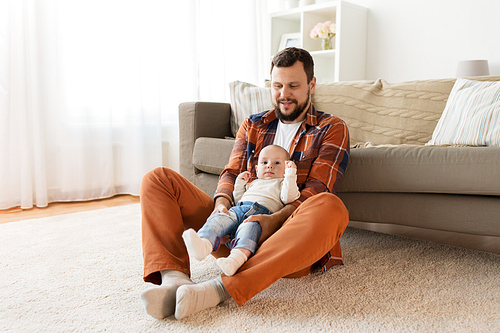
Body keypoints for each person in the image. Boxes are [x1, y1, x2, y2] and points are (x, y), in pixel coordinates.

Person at [139, 47, 350, 320]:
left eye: (294, 86)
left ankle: (217, 290)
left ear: (311, 84)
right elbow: (231, 173)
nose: (284, 94)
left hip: (284, 242)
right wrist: (221, 206)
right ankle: (175, 282)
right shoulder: (254, 124)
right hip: (231, 228)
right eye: (277, 85)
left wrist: (272, 221)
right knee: (157, 179)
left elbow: (316, 190)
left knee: (331, 206)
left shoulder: (331, 128)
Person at [182, 144, 300, 277]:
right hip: (238, 209)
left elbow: (290, 197)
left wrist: (291, 175)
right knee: (219, 218)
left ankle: (235, 260)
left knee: (248, 230)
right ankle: (204, 242)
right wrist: (240, 183)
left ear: (286, 167)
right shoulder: (253, 182)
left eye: (277, 163)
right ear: (257, 168)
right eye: (264, 162)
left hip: (259, 215)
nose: (270, 166)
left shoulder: (282, 183)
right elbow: (238, 199)